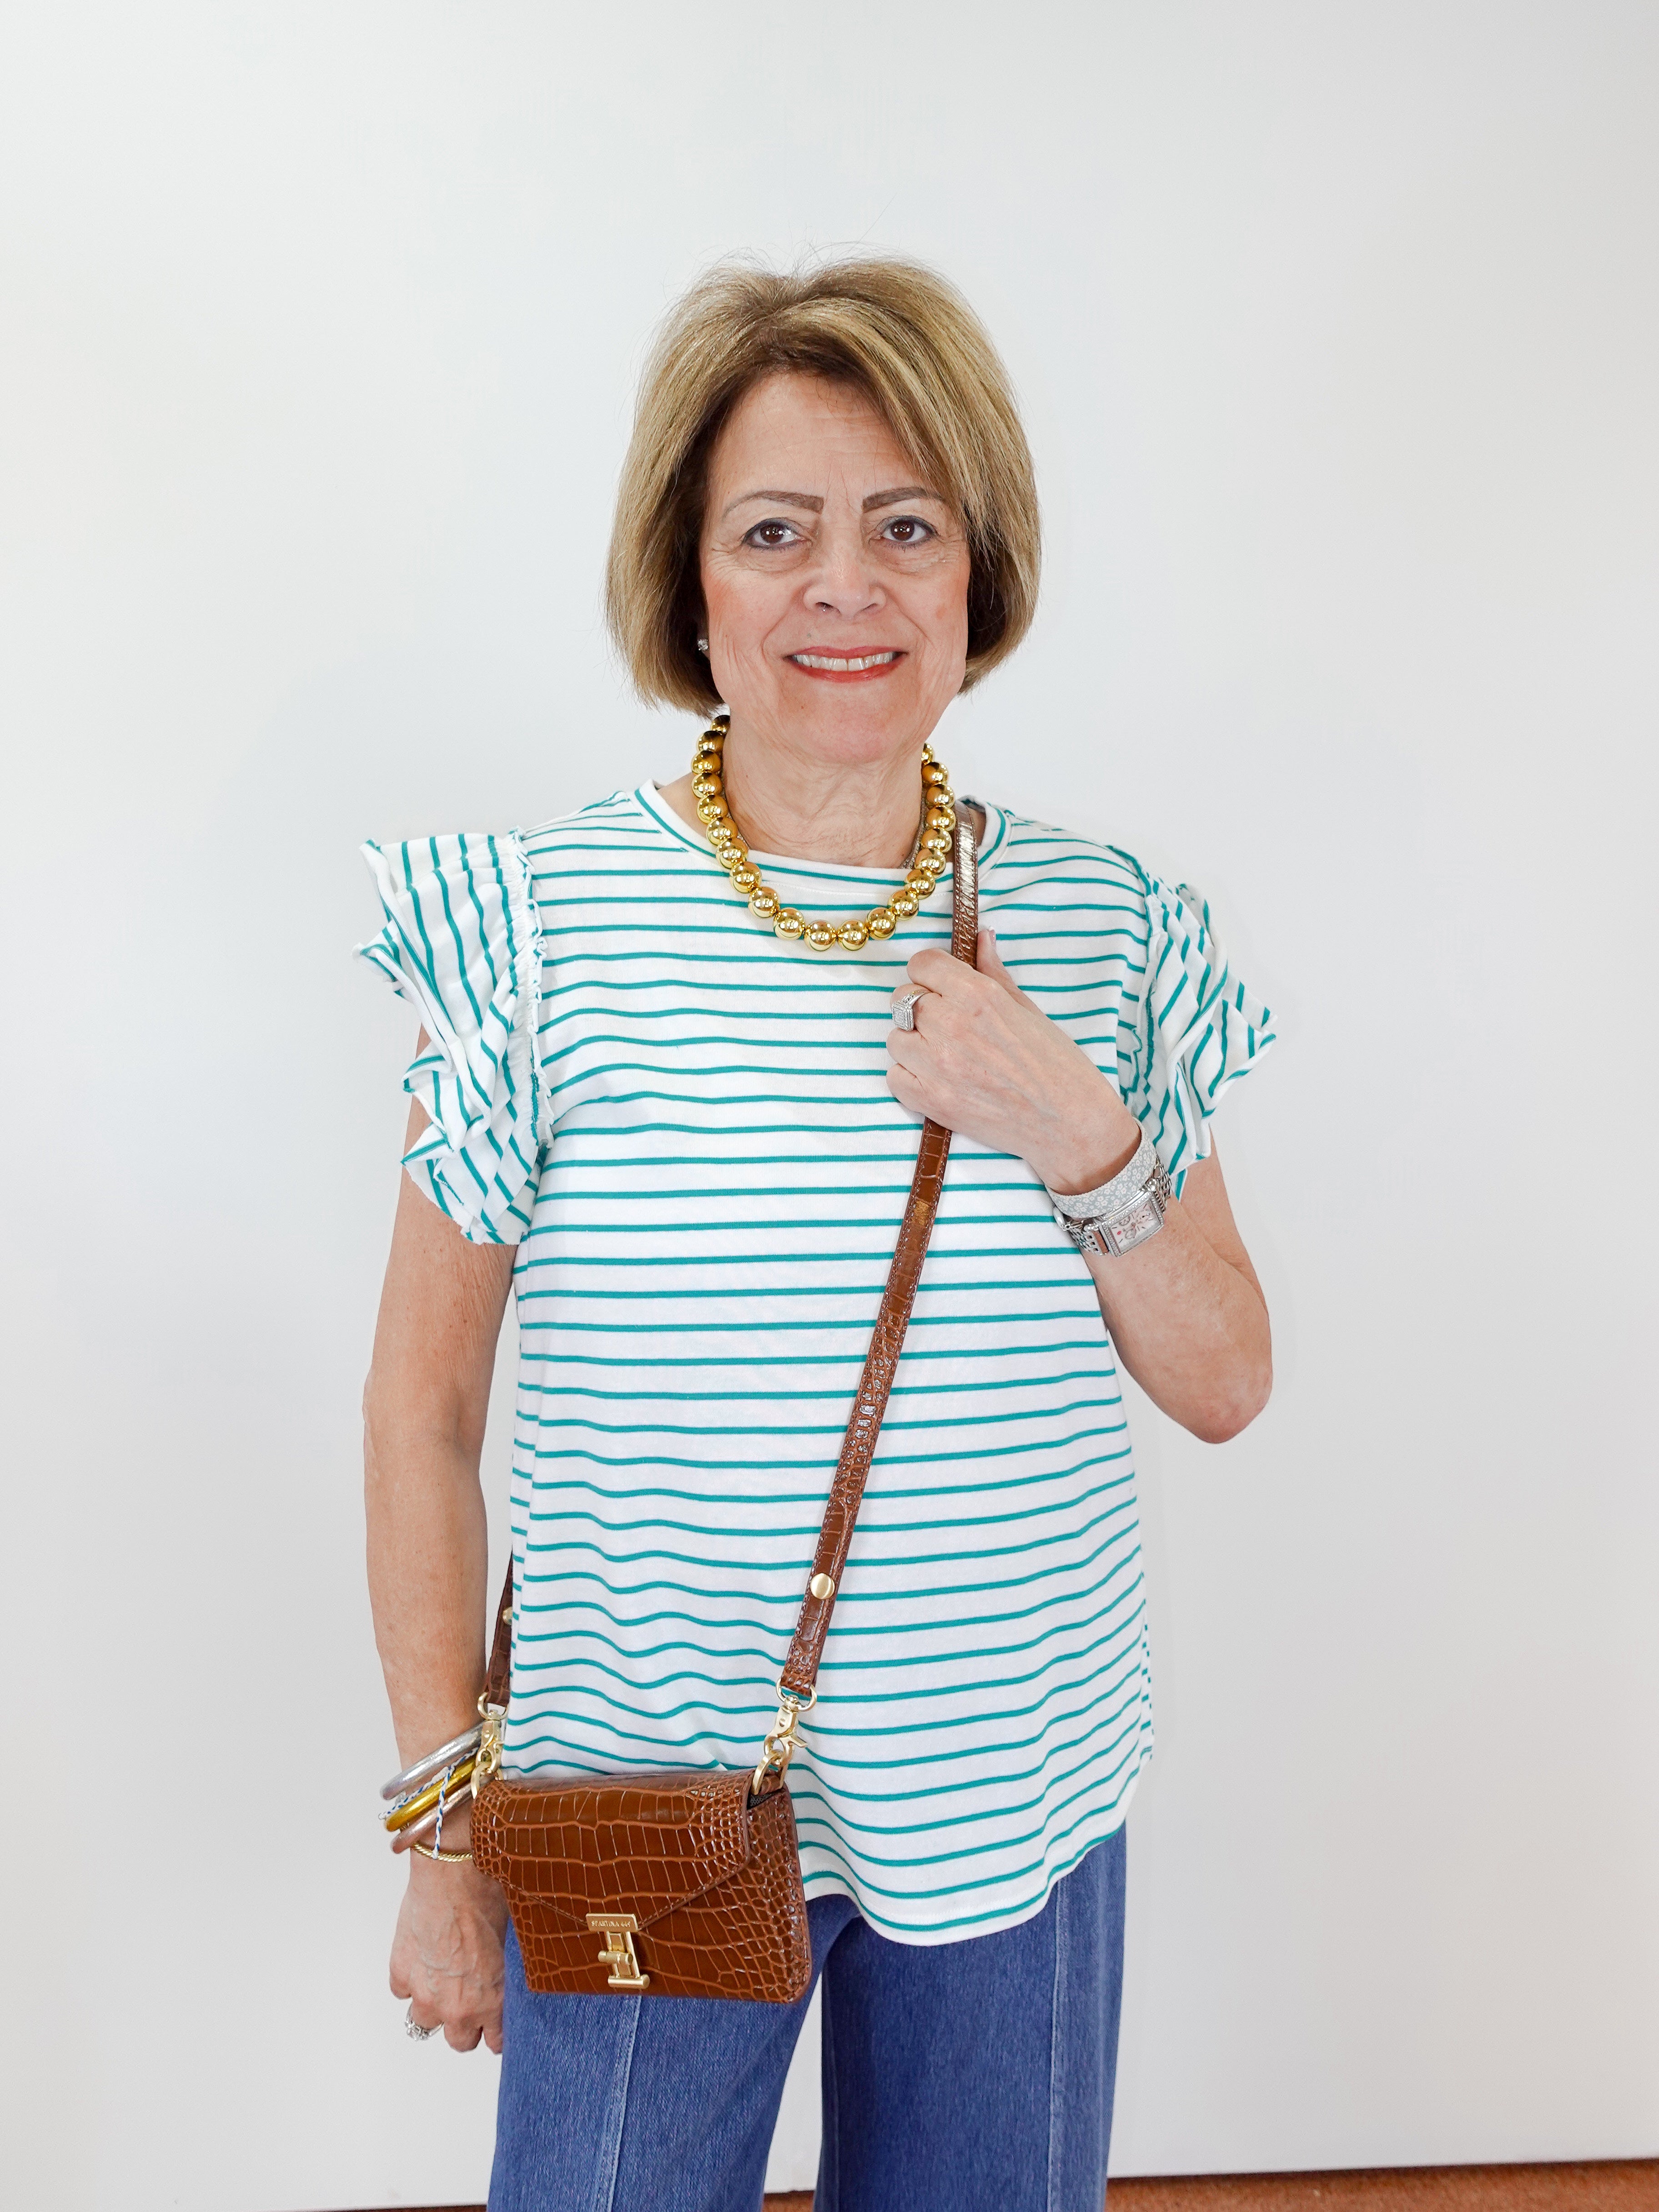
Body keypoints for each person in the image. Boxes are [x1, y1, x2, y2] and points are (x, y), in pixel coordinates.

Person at [358, 256, 1276, 2212]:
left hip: (1017, 1801)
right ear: (691, 584)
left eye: (904, 526)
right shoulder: (539, 927)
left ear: (977, 574)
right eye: (774, 531)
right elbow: (424, 1407)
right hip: (636, 1806)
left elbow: (1224, 1378)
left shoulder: (1104, 922)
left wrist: (1072, 1117)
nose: (841, 584)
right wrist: (447, 1828)